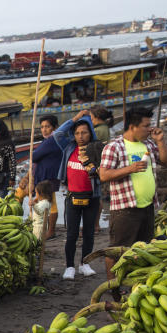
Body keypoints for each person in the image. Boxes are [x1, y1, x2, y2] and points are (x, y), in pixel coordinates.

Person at [98, 107, 167, 284]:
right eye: (146, 126)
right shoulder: (114, 147)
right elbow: (104, 175)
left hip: (147, 207)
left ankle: (134, 283)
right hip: (125, 209)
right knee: (117, 250)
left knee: (143, 249)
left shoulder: (149, 144)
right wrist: (130, 169)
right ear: (132, 126)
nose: (149, 129)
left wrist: (160, 141)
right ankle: (113, 287)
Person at [57, 117, 102, 279]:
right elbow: (58, 134)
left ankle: (85, 264)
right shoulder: (69, 148)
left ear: (90, 133)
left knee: (89, 232)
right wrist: (74, 119)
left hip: (92, 197)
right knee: (71, 234)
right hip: (72, 197)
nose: (80, 136)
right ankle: (70, 266)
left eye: (84, 132)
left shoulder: (96, 148)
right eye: (77, 133)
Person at [30, 115, 62, 239]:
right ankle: (45, 228)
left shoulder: (52, 140)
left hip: (49, 176)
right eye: (42, 127)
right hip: (47, 175)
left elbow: (35, 155)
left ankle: (51, 231)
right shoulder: (49, 140)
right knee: (46, 202)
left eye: (47, 126)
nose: (44, 130)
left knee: (50, 202)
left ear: (54, 128)